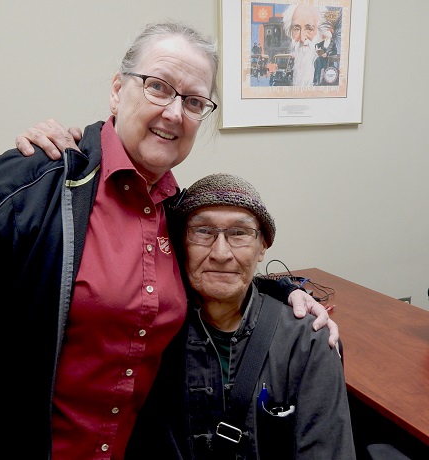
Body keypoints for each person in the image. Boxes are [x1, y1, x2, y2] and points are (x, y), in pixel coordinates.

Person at [0, 21, 336, 460]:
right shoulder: (33, 181)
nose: (175, 112)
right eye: (158, 86)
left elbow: (214, 273)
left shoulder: (172, 214)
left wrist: (288, 296)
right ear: (118, 90)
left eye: (195, 101)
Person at [125, 173, 356, 459]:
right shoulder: (153, 334)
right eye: (203, 231)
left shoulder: (308, 343)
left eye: (239, 233)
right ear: (181, 243)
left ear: (263, 247)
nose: (221, 253)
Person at [282, 4, 327, 87]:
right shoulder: (289, 70)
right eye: (297, 29)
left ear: (321, 33)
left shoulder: (328, 70)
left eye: (309, 29)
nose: (302, 39)